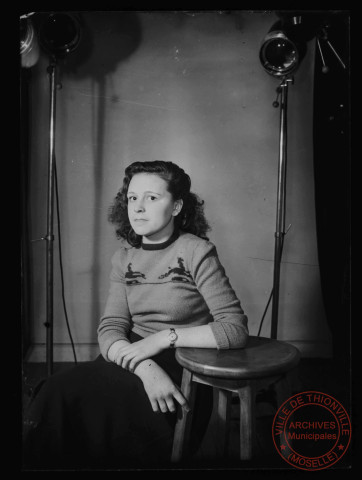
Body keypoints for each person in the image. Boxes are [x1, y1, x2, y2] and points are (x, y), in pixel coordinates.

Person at [22, 160, 249, 470]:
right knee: (59, 395)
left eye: (152, 198)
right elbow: (111, 328)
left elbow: (234, 330)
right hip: (132, 359)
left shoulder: (197, 252)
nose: (138, 207)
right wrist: (144, 365)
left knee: (64, 395)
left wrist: (160, 340)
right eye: (132, 198)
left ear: (177, 206)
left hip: (181, 367)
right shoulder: (123, 258)